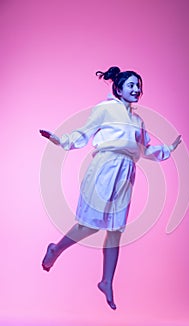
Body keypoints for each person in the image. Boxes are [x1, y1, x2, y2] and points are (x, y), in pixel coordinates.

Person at [40, 66, 181, 310]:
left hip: (127, 171)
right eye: (131, 85)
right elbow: (84, 134)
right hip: (105, 166)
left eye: (138, 85)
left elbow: (145, 149)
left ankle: (106, 281)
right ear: (119, 87)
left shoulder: (138, 120)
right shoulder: (104, 109)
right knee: (90, 224)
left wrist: (168, 149)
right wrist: (61, 140)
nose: (136, 89)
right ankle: (57, 248)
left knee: (116, 230)